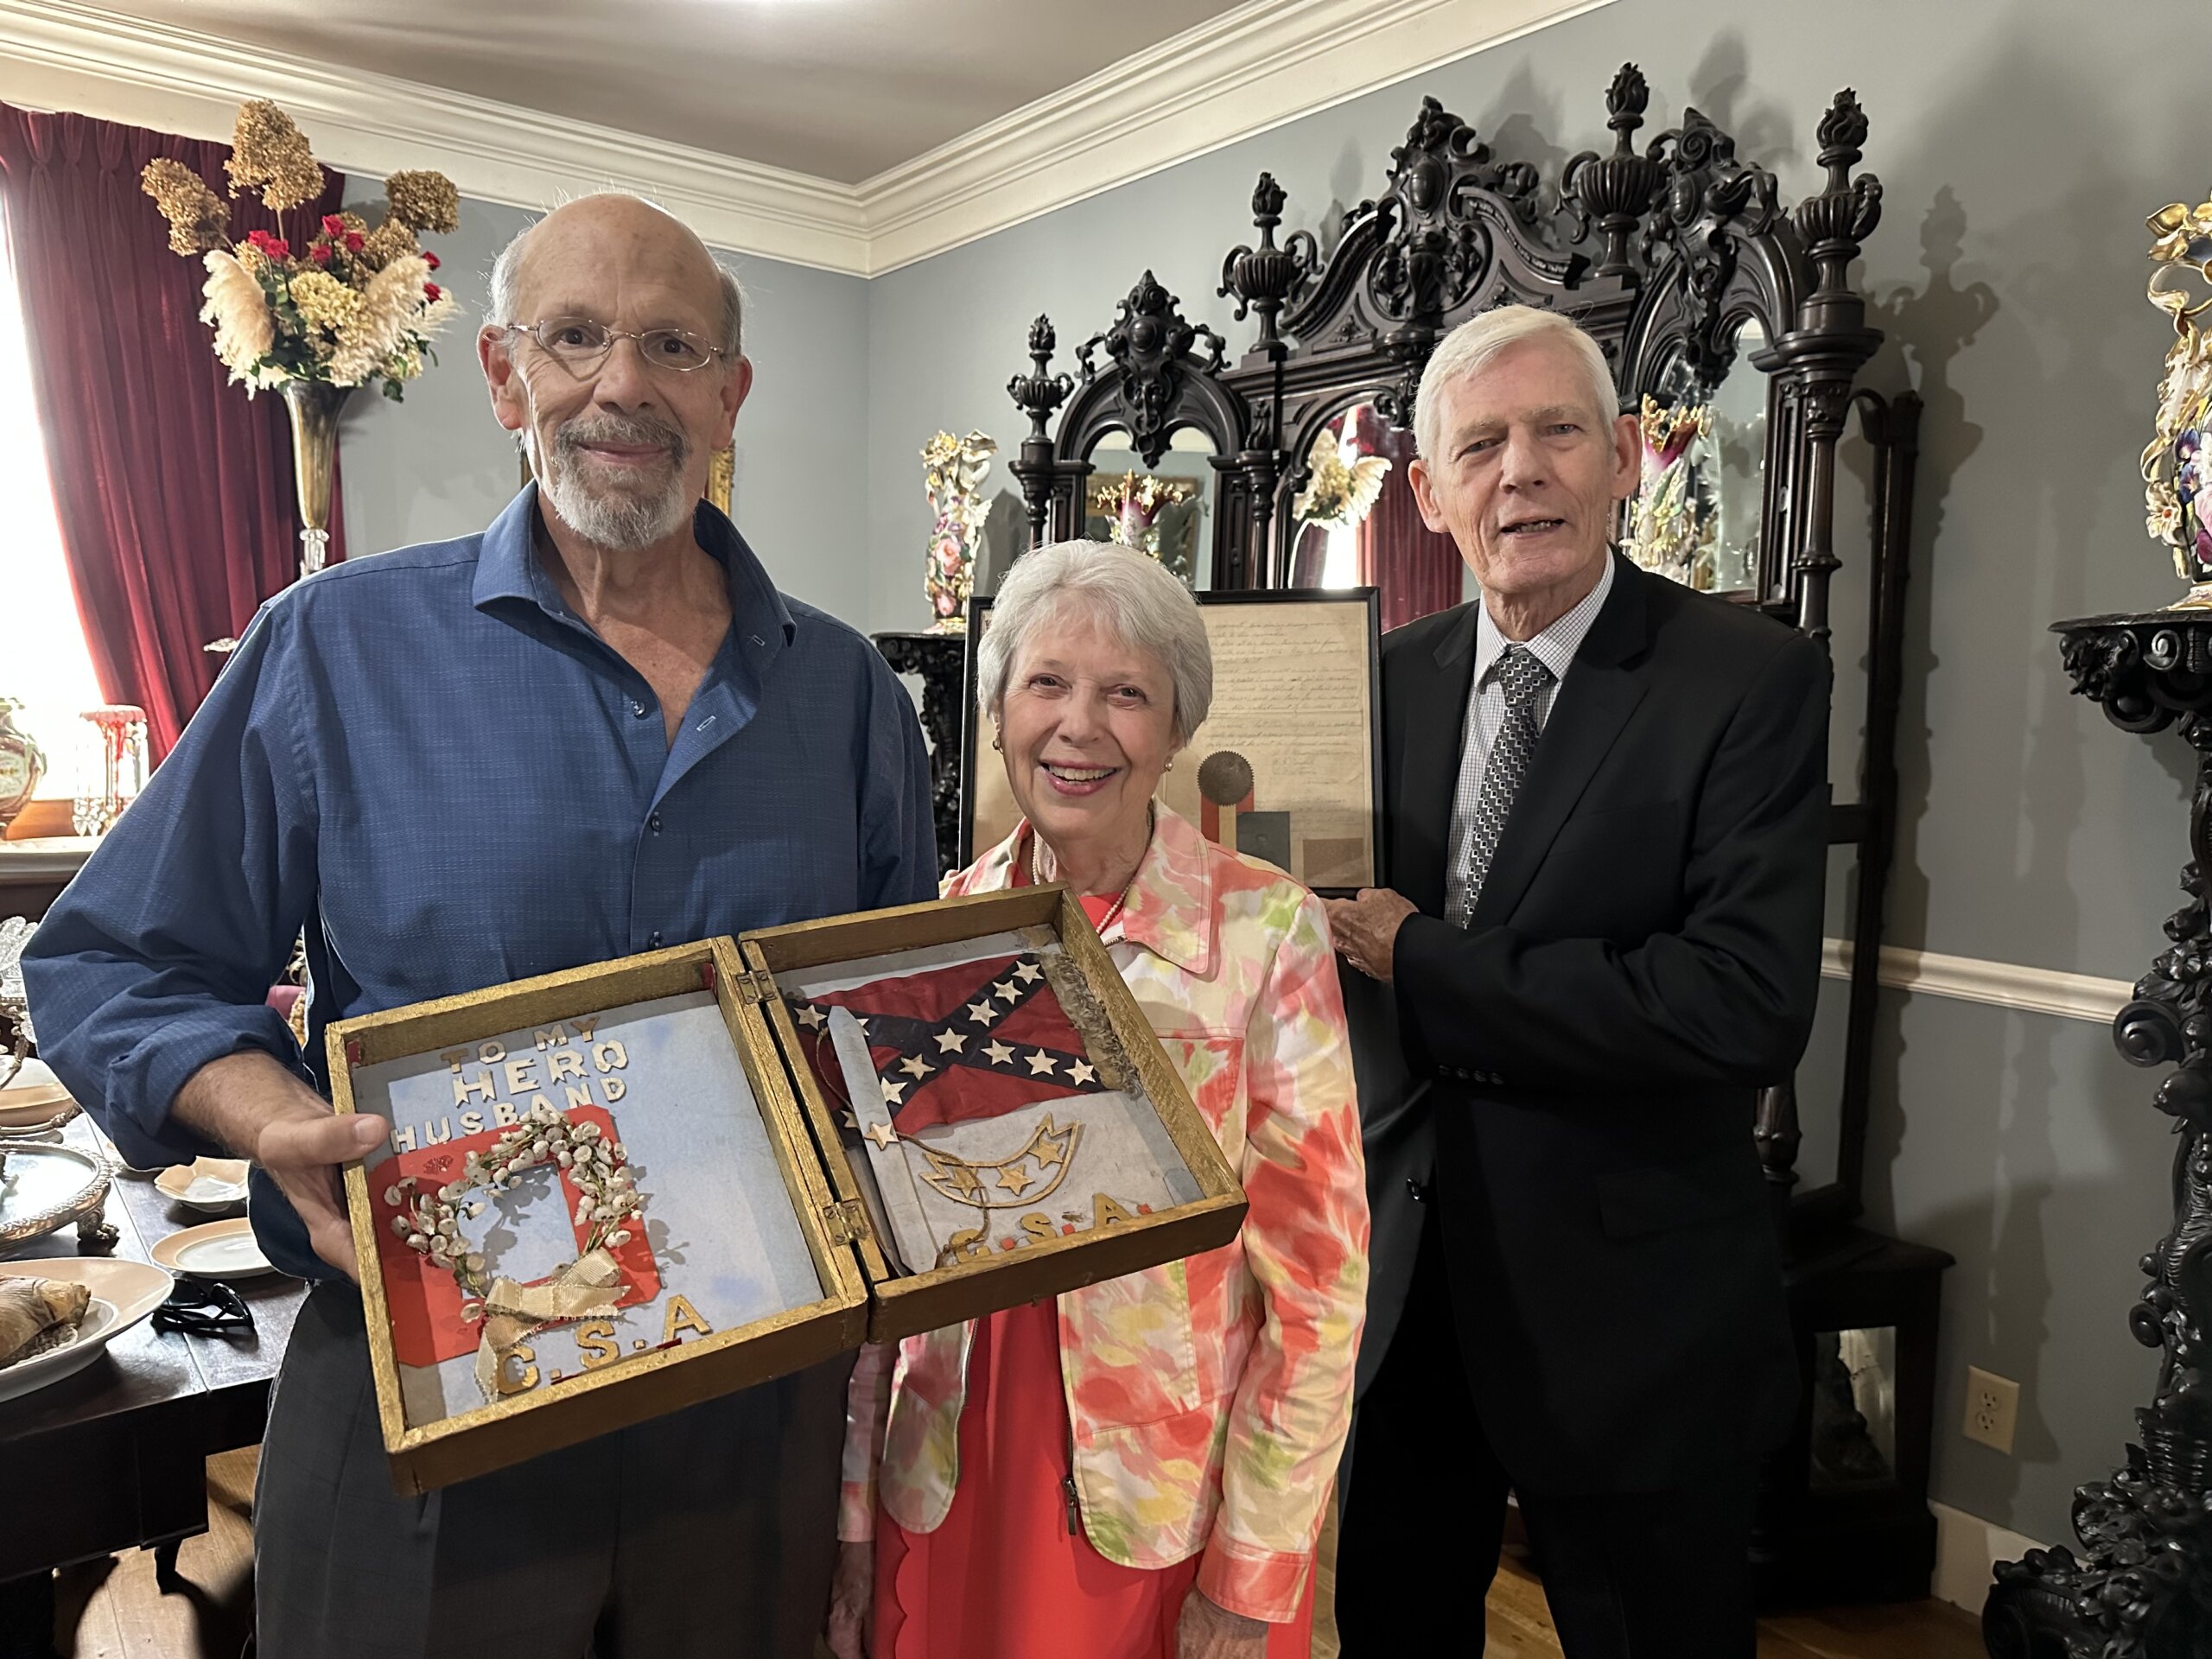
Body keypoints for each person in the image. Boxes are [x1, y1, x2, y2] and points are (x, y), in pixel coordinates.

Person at [23, 192, 936, 1659]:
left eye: (672, 346)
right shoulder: (334, 648)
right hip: (426, 1402)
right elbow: (112, 962)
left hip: (748, 1418)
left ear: (729, 396)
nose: (623, 383)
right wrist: (270, 1118)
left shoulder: (848, 697)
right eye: (574, 338)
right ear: (505, 376)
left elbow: (888, 1022)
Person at [1326, 305, 1828, 1658]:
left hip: (1633, 1319)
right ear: (1427, 493)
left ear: (1624, 455)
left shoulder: (1749, 679)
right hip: (1402, 1294)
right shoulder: (1376, 685)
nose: (1522, 471)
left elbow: (1740, 1002)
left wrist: (1425, 959)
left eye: (1557, 431)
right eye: (1480, 445)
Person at [824, 541, 1368, 1659]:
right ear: (997, 715)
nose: (1079, 726)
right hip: (949, 1464)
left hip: (1155, 1493)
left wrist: (1254, 1572)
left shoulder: (1266, 932)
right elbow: (881, 1259)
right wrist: (853, 1519)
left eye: (1126, 693)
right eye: (1046, 683)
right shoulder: (941, 924)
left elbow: (1318, 1291)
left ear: (1175, 731)